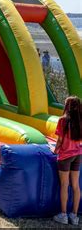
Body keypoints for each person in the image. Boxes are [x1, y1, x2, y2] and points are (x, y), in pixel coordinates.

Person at [53, 96, 81, 225]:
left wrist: (55, 151)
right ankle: (74, 216)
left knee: (64, 185)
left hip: (65, 156)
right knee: (75, 185)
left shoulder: (63, 120)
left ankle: (63, 215)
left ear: (67, 106)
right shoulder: (81, 120)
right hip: (78, 154)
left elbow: (59, 141)